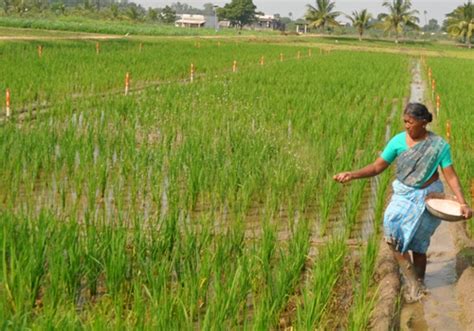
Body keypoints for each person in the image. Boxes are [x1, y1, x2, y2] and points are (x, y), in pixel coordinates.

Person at [333, 103, 472, 302]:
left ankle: (420, 284)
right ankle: (413, 280)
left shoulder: (439, 146)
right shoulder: (398, 141)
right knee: (391, 233)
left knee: (419, 244)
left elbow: (451, 177)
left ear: (423, 122)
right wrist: (352, 174)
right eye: (405, 122)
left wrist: (463, 203)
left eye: (410, 122)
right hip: (404, 194)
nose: (407, 126)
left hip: (428, 197)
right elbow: (376, 167)